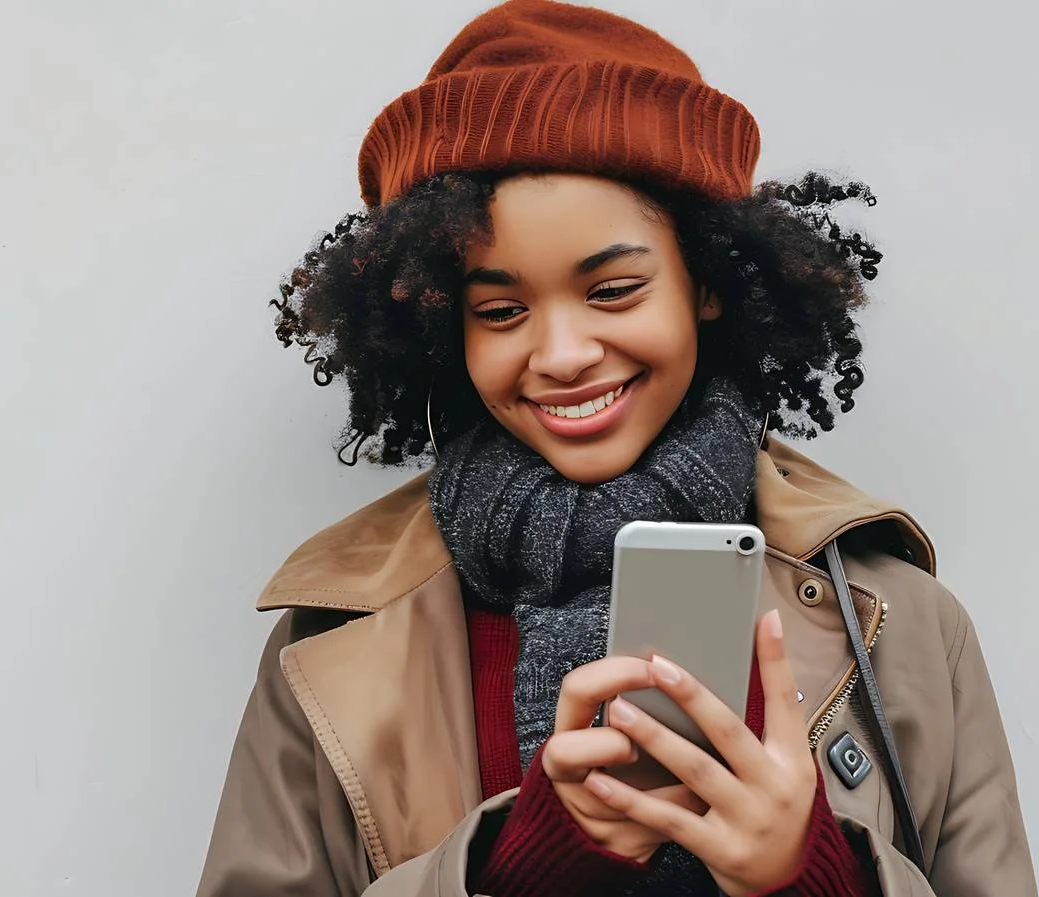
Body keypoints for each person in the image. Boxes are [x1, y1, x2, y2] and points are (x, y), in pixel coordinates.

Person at [195, 2, 1037, 895]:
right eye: (502, 310)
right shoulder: (331, 636)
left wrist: (809, 872)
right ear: (446, 327)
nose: (561, 355)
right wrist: (517, 863)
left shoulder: (902, 617)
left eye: (614, 289)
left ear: (706, 283)